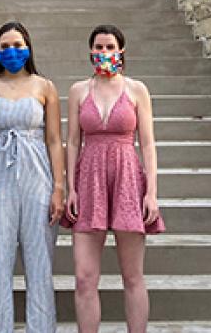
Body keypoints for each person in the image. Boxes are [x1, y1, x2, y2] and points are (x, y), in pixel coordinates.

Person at [64, 24, 164, 333]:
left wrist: (151, 193)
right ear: (90, 50)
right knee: (84, 277)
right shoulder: (79, 90)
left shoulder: (136, 90)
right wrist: (70, 188)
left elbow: (147, 143)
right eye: (98, 47)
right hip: (89, 179)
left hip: (127, 178)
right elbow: (73, 142)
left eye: (109, 47)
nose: (104, 52)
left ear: (121, 51)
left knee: (132, 275)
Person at [0, 21, 65, 333]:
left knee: (40, 262)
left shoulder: (45, 86)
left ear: (28, 47)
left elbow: (54, 139)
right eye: (5, 46)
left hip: (37, 174)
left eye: (18, 45)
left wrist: (59, 189)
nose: (12, 51)